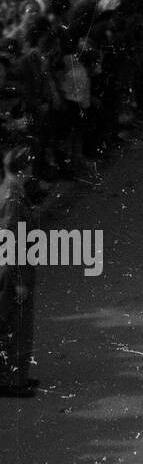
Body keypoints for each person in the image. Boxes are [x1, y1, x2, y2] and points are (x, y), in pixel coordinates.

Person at [0, 147, 39, 397]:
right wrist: (22, 280)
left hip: (8, 270)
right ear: (23, 168)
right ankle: (11, 381)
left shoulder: (9, 190)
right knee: (16, 326)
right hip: (13, 272)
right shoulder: (13, 197)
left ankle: (15, 376)